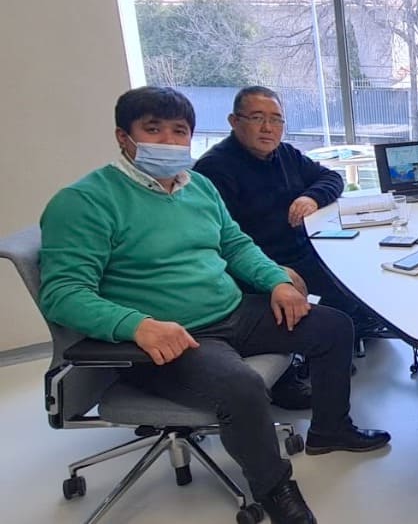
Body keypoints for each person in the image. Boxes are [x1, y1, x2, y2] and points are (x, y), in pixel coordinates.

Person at [39, 87, 391, 524]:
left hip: (232, 310)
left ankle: (330, 429)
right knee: (242, 386)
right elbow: (62, 293)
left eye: (178, 131)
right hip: (171, 335)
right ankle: (274, 487)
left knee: (335, 327)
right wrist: (137, 325)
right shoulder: (85, 202)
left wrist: (277, 281)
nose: (168, 142)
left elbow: (236, 245)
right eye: (153, 130)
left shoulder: (197, 186)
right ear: (123, 137)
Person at [194, 86, 388, 339]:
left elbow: (330, 177)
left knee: (364, 264)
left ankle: (355, 329)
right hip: (264, 264)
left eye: (276, 119)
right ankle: (337, 336)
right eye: (257, 118)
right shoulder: (214, 169)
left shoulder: (284, 154)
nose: (268, 127)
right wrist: (273, 272)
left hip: (304, 249)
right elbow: (224, 243)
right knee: (345, 289)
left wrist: (311, 197)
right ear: (234, 121)